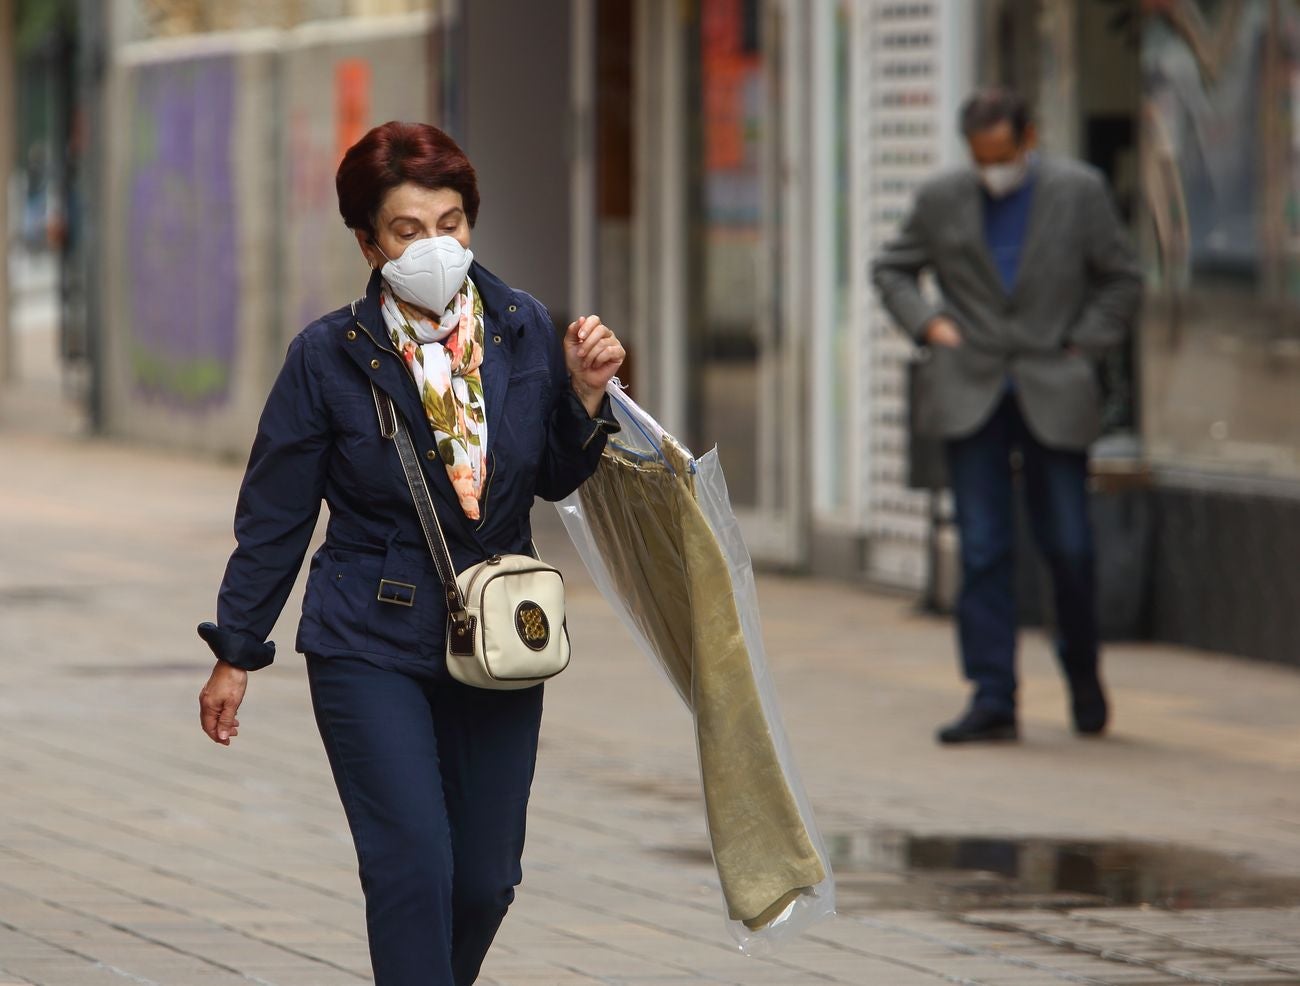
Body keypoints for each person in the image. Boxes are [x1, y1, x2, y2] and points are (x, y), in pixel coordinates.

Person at [195, 121, 625, 984]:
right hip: (369, 638)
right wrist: (236, 651)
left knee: (485, 882)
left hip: (499, 637)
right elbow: (276, 514)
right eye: (408, 230)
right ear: (368, 241)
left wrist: (583, 398)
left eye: (452, 222)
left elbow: (547, 476)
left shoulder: (523, 328)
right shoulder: (327, 357)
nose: (436, 245)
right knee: (413, 869)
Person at [872, 88, 1142, 745]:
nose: (992, 168)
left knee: (1070, 547)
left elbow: (1123, 278)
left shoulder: (1080, 191)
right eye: (979, 156)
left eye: (1002, 154)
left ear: (1028, 138)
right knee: (986, 548)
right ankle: (993, 696)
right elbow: (893, 269)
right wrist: (930, 325)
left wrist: (1085, 343)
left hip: (1054, 382)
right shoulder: (943, 197)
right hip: (972, 391)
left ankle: (1082, 671)